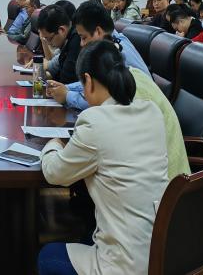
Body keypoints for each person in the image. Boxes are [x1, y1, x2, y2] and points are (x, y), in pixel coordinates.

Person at [38, 41, 169, 275]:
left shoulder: (95, 121)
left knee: (48, 257)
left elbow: (55, 173)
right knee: (87, 231)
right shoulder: (152, 112)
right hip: (160, 251)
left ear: (88, 80)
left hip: (125, 266)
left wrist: (52, 144)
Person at [47, 1, 150, 109]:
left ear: (98, 31)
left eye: (83, 37)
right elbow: (98, 83)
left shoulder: (117, 54)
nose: (81, 44)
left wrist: (67, 96)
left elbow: (106, 101)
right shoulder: (112, 41)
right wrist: (66, 88)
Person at [37, 4, 81, 84]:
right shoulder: (68, 38)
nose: (48, 43)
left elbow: (66, 80)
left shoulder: (76, 40)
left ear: (61, 30)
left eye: (49, 39)